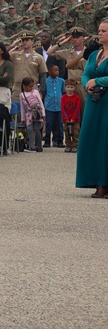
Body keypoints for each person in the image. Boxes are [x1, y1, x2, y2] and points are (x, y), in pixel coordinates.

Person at [77, 21, 108, 197]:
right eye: (99, 30)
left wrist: (98, 81)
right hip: (93, 102)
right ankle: (95, 179)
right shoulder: (94, 55)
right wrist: (87, 84)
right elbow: (86, 74)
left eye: (104, 31)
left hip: (107, 103)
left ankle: (104, 184)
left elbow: (96, 78)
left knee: (105, 140)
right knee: (91, 139)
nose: (100, 33)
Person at [19, 77, 44, 153]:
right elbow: (22, 107)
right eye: (29, 86)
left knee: (37, 129)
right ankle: (31, 146)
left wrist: (43, 114)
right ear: (24, 86)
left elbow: (41, 103)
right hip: (29, 115)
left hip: (37, 113)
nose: (31, 88)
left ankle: (39, 146)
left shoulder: (36, 92)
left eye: (32, 86)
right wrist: (23, 118)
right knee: (29, 129)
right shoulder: (22, 95)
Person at [43, 65, 65, 148]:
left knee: (59, 124)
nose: (57, 72)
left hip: (59, 106)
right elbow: (44, 92)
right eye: (55, 70)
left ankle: (60, 140)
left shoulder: (61, 81)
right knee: (49, 124)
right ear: (50, 71)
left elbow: (63, 91)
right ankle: (47, 140)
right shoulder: (46, 81)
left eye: (58, 70)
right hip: (49, 106)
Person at [62, 81, 82, 153]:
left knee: (75, 132)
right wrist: (66, 118)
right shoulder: (63, 97)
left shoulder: (77, 97)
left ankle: (75, 145)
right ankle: (68, 145)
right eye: (68, 87)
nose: (70, 89)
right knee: (67, 132)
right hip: (66, 119)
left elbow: (77, 108)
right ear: (65, 88)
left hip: (75, 119)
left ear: (74, 88)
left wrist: (74, 118)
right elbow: (62, 108)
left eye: (71, 87)